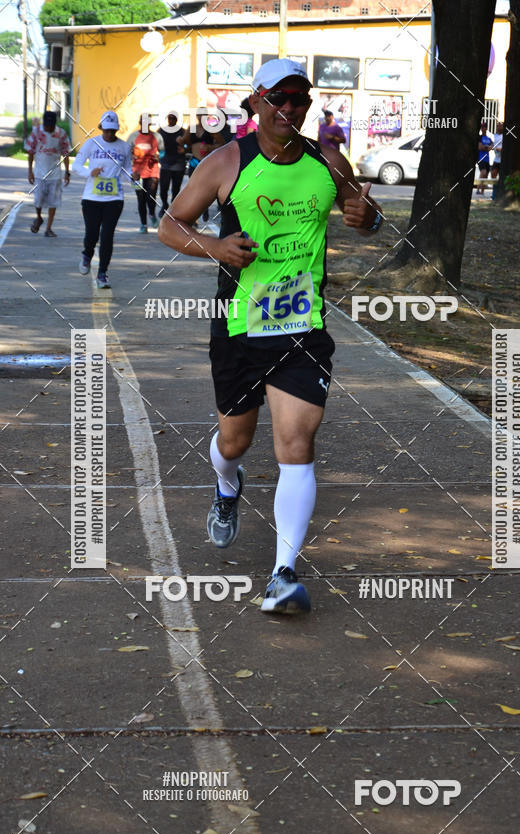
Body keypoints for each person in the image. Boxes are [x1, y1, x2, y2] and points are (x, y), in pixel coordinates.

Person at [159, 58, 383, 615]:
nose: (290, 109)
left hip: (302, 328)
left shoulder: (327, 160)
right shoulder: (226, 162)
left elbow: (365, 210)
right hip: (240, 327)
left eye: (300, 100)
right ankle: (227, 484)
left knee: (296, 446)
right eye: (280, 98)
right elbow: (172, 223)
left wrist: (367, 216)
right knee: (234, 443)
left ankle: (283, 573)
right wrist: (214, 248)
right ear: (257, 101)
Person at [72, 110, 132, 288]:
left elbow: (126, 171)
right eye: (106, 130)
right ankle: (86, 254)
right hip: (91, 198)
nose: (109, 134)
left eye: (113, 131)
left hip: (114, 199)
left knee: (107, 236)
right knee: (92, 233)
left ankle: (102, 274)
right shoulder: (92, 144)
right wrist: (89, 172)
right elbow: (76, 165)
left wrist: (134, 176)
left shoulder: (124, 147)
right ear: (101, 128)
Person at [25, 110, 70, 237]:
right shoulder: (36, 132)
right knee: (38, 200)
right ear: (43, 123)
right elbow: (30, 152)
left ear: (54, 124)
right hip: (39, 173)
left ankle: (49, 228)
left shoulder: (61, 134)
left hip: (55, 174)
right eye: (46, 125)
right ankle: (39, 217)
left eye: (51, 125)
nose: (48, 127)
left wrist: (67, 172)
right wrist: (30, 172)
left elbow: (66, 153)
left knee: (53, 202)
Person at [128, 115, 162, 232]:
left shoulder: (156, 136)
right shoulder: (133, 137)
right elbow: (126, 153)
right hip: (137, 173)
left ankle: (152, 215)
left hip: (153, 171)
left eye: (147, 123)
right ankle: (143, 224)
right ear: (140, 123)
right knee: (141, 199)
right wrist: (133, 155)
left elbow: (163, 152)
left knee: (150, 197)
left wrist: (158, 157)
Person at [158, 112, 186, 218]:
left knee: (176, 189)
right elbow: (156, 143)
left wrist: (185, 148)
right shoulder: (162, 131)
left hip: (178, 163)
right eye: (170, 118)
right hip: (165, 163)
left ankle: (173, 208)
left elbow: (188, 143)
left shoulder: (182, 131)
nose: (171, 120)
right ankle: (164, 205)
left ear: (177, 120)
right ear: (167, 119)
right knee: (163, 188)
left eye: (173, 118)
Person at [476, 121, 493, 195]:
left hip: (487, 159)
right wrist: (487, 147)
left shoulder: (489, 138)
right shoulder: (479, 137)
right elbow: (480, 147)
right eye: (482, 127)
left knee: (486, 175)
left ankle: (482, 191)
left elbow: (492, 147)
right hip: (481, 158)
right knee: (483, 172)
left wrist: (486, 147)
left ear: (486, 128)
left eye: (484, 127)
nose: (483, 128)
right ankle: (478, 189)